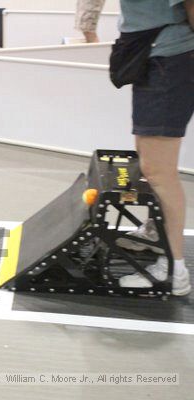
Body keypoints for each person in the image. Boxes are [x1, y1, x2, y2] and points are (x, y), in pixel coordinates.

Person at [117, 0, 194, 296]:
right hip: (154, 56)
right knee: (149, 163)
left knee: (161, 173)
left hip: (170, 60)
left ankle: (174, 269)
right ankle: (157, 232)